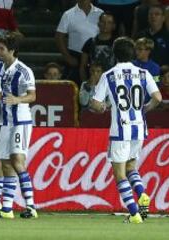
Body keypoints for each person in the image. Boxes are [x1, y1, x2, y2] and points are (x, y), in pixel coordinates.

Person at [90, 37, 162, 223]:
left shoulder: (109, 75)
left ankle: (133, 213)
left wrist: (103, 107)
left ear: (114, 54)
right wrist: (145, 108)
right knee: (131, 167)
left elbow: (96, 103)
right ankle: (142, 194)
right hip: (139, 127)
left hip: (120, 129)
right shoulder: (144, 73)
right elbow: (158, 98)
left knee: (119, 173)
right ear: (133, 54)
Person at [0, 35, 38, 219]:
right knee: (5, 164)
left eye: (2, 49)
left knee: (17, 160)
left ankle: (31, 206)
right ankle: (6, 208)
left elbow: (32, 96)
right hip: (4, 122)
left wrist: (17, 99)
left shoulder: (24, 71)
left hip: (21, 121)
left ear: (12, 51)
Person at [55, 0, 103, 85]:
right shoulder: (68, 14)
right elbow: (59, 36)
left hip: (96, 57)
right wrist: (68, 57)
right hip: (76, 57)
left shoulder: (100, 13)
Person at [80, 12, 116, 82]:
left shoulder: (117, 43)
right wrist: (84, 83)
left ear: (113, 26)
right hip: (93, 81)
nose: (106, 25)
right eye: (103, 22)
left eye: (109, 22)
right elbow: (83, 66)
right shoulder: (90, 42)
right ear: (98, 24)